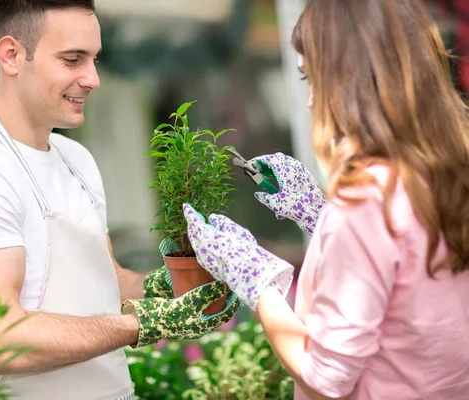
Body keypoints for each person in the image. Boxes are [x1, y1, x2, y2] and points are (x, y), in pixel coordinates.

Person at [0, 1, 239, 399]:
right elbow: (0, 341)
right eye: (72, 59)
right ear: (11, 56)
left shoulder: (76, 159)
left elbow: (106, 280)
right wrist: (142, 325)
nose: (93, 78)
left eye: (93, 59)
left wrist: (165, 287)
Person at [181, 0, 469, 399]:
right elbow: (405, 282)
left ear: (353, 79)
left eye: (312, 77)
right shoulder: (447, 171)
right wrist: (318, 215)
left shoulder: (368, 201)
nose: (312, 101)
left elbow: (325, 379)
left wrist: (254, 276)